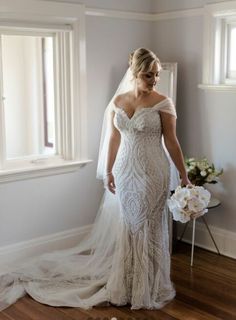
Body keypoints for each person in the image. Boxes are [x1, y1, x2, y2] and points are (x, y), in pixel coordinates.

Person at [0, 48, 190, 311]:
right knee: (128, 225)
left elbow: (171, 141)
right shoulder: (118, 101)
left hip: (153, 171)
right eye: (149, 75)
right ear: (135, 73)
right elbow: (114, 138)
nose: (154, 80)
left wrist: (183, 174)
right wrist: (110, 170)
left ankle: (149, 285)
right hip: (126, 170)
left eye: (156, 75)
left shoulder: (163, 102)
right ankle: (126, 282)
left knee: (147, 224)